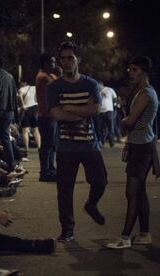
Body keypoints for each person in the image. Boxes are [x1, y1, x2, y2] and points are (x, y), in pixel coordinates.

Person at [47, 41, 108, 242]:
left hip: (89, 143)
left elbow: (95, 110)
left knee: (100, 180)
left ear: (78, 60)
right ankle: (67, 229)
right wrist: (82, 110)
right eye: (62, 58)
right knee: (64, 190)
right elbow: (57, 115)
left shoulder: (90, 83)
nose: (66, 62)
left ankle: (91, 204)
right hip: (65, 146)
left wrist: (70, 108)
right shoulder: (54, 86)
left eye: (70, 58)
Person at [105, 56, 160, 249]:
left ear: (144, 71)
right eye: (129, 69)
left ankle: (125, 238)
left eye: (134, 69)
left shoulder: (146, 93)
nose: (130, 72)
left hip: (143, 148)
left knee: (132, 193)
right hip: (140, 145)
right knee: (140, 192)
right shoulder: (142, 92)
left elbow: (129, 122)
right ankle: (144, 233)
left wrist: (121, 121)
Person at [35, 53, 58, 182]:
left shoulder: (50, 76)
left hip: (51, 115)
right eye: (52, 62)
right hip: (46, 115)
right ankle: (45, 171)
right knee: (47, 145)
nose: (54, 64)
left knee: (51, 144)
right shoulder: (43, 77)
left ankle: (50, 168)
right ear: (45, 63)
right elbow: (59, 86)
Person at [18, 80, 41, 160]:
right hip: (35, 108)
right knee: (36, 130)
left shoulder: (21, 89)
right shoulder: (34, 88)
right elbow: (39, 95)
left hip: (26, 109)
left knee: (25, 131)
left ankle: (27, 150)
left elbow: (20, 95)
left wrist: (23, 105)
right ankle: (39, 148)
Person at [98, 81, 117, 147]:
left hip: (109, 111)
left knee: (110, 127)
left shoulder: (109, 89)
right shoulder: (97, 91)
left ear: (101, 84)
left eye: (98, 85)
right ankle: (102, 142)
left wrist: (114, 106)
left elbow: (115, 98)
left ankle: (112, 142)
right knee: (101, 128)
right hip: (100, 112)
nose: (98, 87)